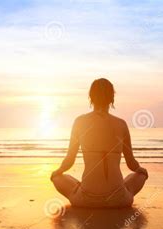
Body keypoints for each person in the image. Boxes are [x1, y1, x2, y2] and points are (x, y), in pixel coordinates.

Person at [50, 78, 148, 208]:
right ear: (112, 98)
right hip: (118, 200)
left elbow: (69, 161)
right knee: (138, 176)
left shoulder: (80, 122)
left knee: (58, 178)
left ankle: (83, 188)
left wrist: (58, 171)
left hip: (86, 200)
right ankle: (119, 190)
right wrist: (141, 171)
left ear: (90, 97)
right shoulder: (121, 124)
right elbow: (132, 164)